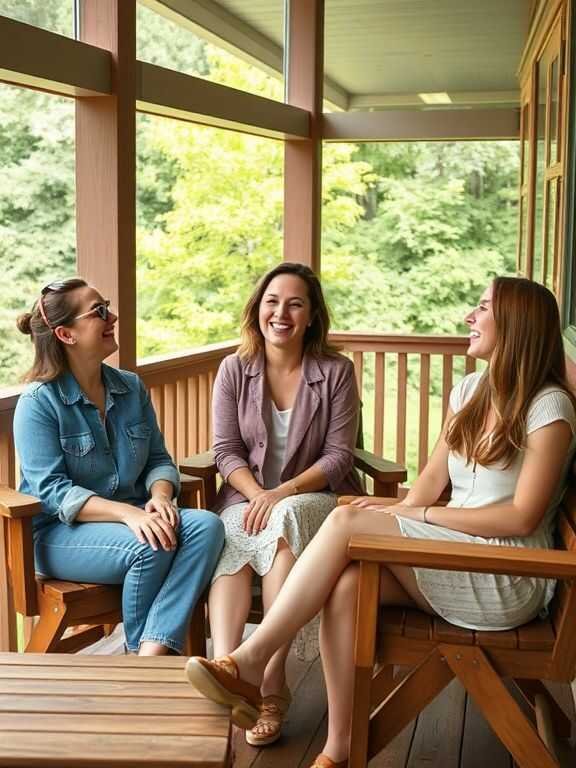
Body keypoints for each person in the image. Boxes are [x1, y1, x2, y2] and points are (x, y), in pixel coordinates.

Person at [186, 276, 576, 768]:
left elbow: (522, 518)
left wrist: (418, 514)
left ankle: (252, 659)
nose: (468, 318)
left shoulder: (549, 407)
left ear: (517, 324)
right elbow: (431, 480)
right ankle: (340, 747)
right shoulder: (470, 391)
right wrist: (396, 508)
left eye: (481, 308)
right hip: (459, 553)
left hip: (507, 575)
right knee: (347, 579)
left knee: (346, 526)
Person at [13, 277, 224, 656]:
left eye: (105, 305)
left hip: (135, 518)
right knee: (152, 545)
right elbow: (52, 492)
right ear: (66, 334)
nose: (112, 316)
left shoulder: (131, 387)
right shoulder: (38, 403)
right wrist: (129, 514)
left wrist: (160, 497)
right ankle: (142, 665)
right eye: (98, 312)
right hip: (60, 534)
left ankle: (149, 654)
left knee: (207, 525)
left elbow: (159, 460)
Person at [207, 262, 363, 746]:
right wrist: (257, 493)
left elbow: (339, 455)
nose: (282, 313)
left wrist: (281, 492)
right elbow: (225, 450)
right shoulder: (234, 368)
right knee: (232, 530)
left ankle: (271, 684)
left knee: (286, 520)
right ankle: (228, 672)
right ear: (258, 310)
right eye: (273, 302)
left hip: (313, 499)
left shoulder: (335, 372)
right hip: (247, 497)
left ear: (312, 315)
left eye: (295, 304)